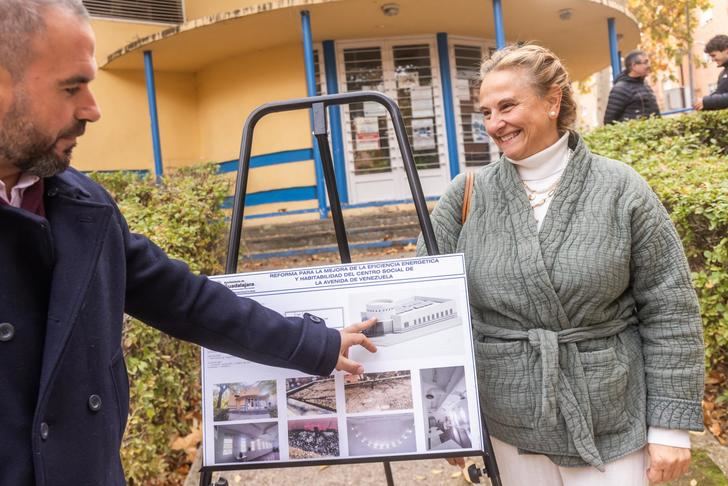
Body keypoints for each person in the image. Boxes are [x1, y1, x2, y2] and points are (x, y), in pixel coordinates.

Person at [0, 1, 376, 484]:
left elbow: (183, 300)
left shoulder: (81, 204)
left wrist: (313, 344)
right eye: (72, 87)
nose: (92, 109)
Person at [418, 44, 704, 485]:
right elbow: (428, 303)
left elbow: (669, 308)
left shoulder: (619, 187)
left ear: (553, 101)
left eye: (508, 106)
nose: (495, 124)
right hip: (507, 415)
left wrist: (669, 427)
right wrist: (445, 413)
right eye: (487, 111)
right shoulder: (467, 194)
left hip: (609, 412)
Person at [603, 50, 661, 124]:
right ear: (634, 66)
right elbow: (609, 121)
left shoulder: (645, 84)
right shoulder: (620, 89)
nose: (649, 65)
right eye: (645, 62)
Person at [693, 34, 728, 111]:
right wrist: (703, 103)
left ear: (726, 51)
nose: (712, 59)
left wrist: (707, 101)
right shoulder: (722, 74)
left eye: (713, 55)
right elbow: (720, 95)